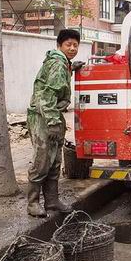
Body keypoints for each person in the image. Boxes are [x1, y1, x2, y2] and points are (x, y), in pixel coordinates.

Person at [26, 29, 83, 217]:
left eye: (75, 45)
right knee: (42, 160)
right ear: (59, 45)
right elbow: (47, 95)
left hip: (53, 115)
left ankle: (52, 201)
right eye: (69, 44)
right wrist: (51, 122)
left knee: (54, 160)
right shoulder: (58, 64)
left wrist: (72, 67)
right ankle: (33, 203)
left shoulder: (62, 63)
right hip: (44, 117)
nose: (73, 48)